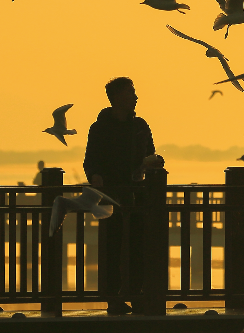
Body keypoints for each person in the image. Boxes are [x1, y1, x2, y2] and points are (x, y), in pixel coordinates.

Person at [83, 77, 164, 315]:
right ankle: (113, 299)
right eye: (131, 93)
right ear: (117, 97)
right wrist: (96, 176)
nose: (135, 98)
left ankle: (137, 295)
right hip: (111, 198)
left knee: (138, 248)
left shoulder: (140, 127)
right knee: (112, 248)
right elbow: (91, 161)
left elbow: (149, 156)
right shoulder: (100, 128)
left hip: (138, 198)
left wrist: (153, 164)